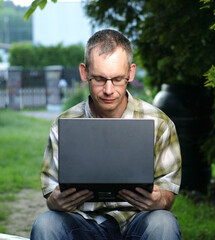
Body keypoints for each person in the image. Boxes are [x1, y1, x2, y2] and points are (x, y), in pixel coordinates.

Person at [30, 29, 182, 240]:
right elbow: (50, 192)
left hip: (138, 222)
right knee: (46, 224)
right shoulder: (63, 125)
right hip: (82, 222)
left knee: (164, 222)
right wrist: (54, 201)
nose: (109, 90)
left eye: (118, 79)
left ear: (131, 72)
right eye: (100, 79)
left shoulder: (160, 123)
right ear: (84, 73)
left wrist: (160, 200)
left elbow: (168, 194)